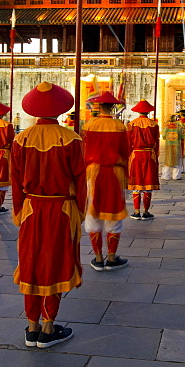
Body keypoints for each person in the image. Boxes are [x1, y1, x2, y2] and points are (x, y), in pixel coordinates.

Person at [11, 82, 86, 348]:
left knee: (30, 263)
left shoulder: (21, 139)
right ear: (60, 108)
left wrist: (19, 211)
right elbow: (80, 181)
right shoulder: (71, 139)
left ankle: (31, 328)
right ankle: (48, 326)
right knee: (55, 264)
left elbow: (15, 179)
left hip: (32, 208)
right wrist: (80, 210)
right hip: (62, 209)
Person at [80, 90, 130, 271]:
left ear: (98, 106)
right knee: (114, 214)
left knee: (92, 213)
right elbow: (126, 152)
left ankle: (98, 258)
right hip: (115, 173)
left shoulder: (88, 126)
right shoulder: (120, 127)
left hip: (92, 172)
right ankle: (111, 257)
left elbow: (83, 152)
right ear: (113, 107)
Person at [127, 100, 160, 220]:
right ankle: (146, 212)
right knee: (148, 183)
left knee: (136, 183)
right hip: (149, 155)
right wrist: (156, 155)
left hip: (135, 155)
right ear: (148, 111)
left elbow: (128, 142)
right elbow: (157, 142)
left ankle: (136, 211)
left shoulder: (131, 124)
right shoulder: (154, 124)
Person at [161, 114, 182, 180]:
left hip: (168, 145)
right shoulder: (179, 126)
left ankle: (166, 176)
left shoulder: (165, 126)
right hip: (176, 145)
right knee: (176, 160)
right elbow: (181, 135)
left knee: (168, 160)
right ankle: (176, 176)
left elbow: (164, 136)